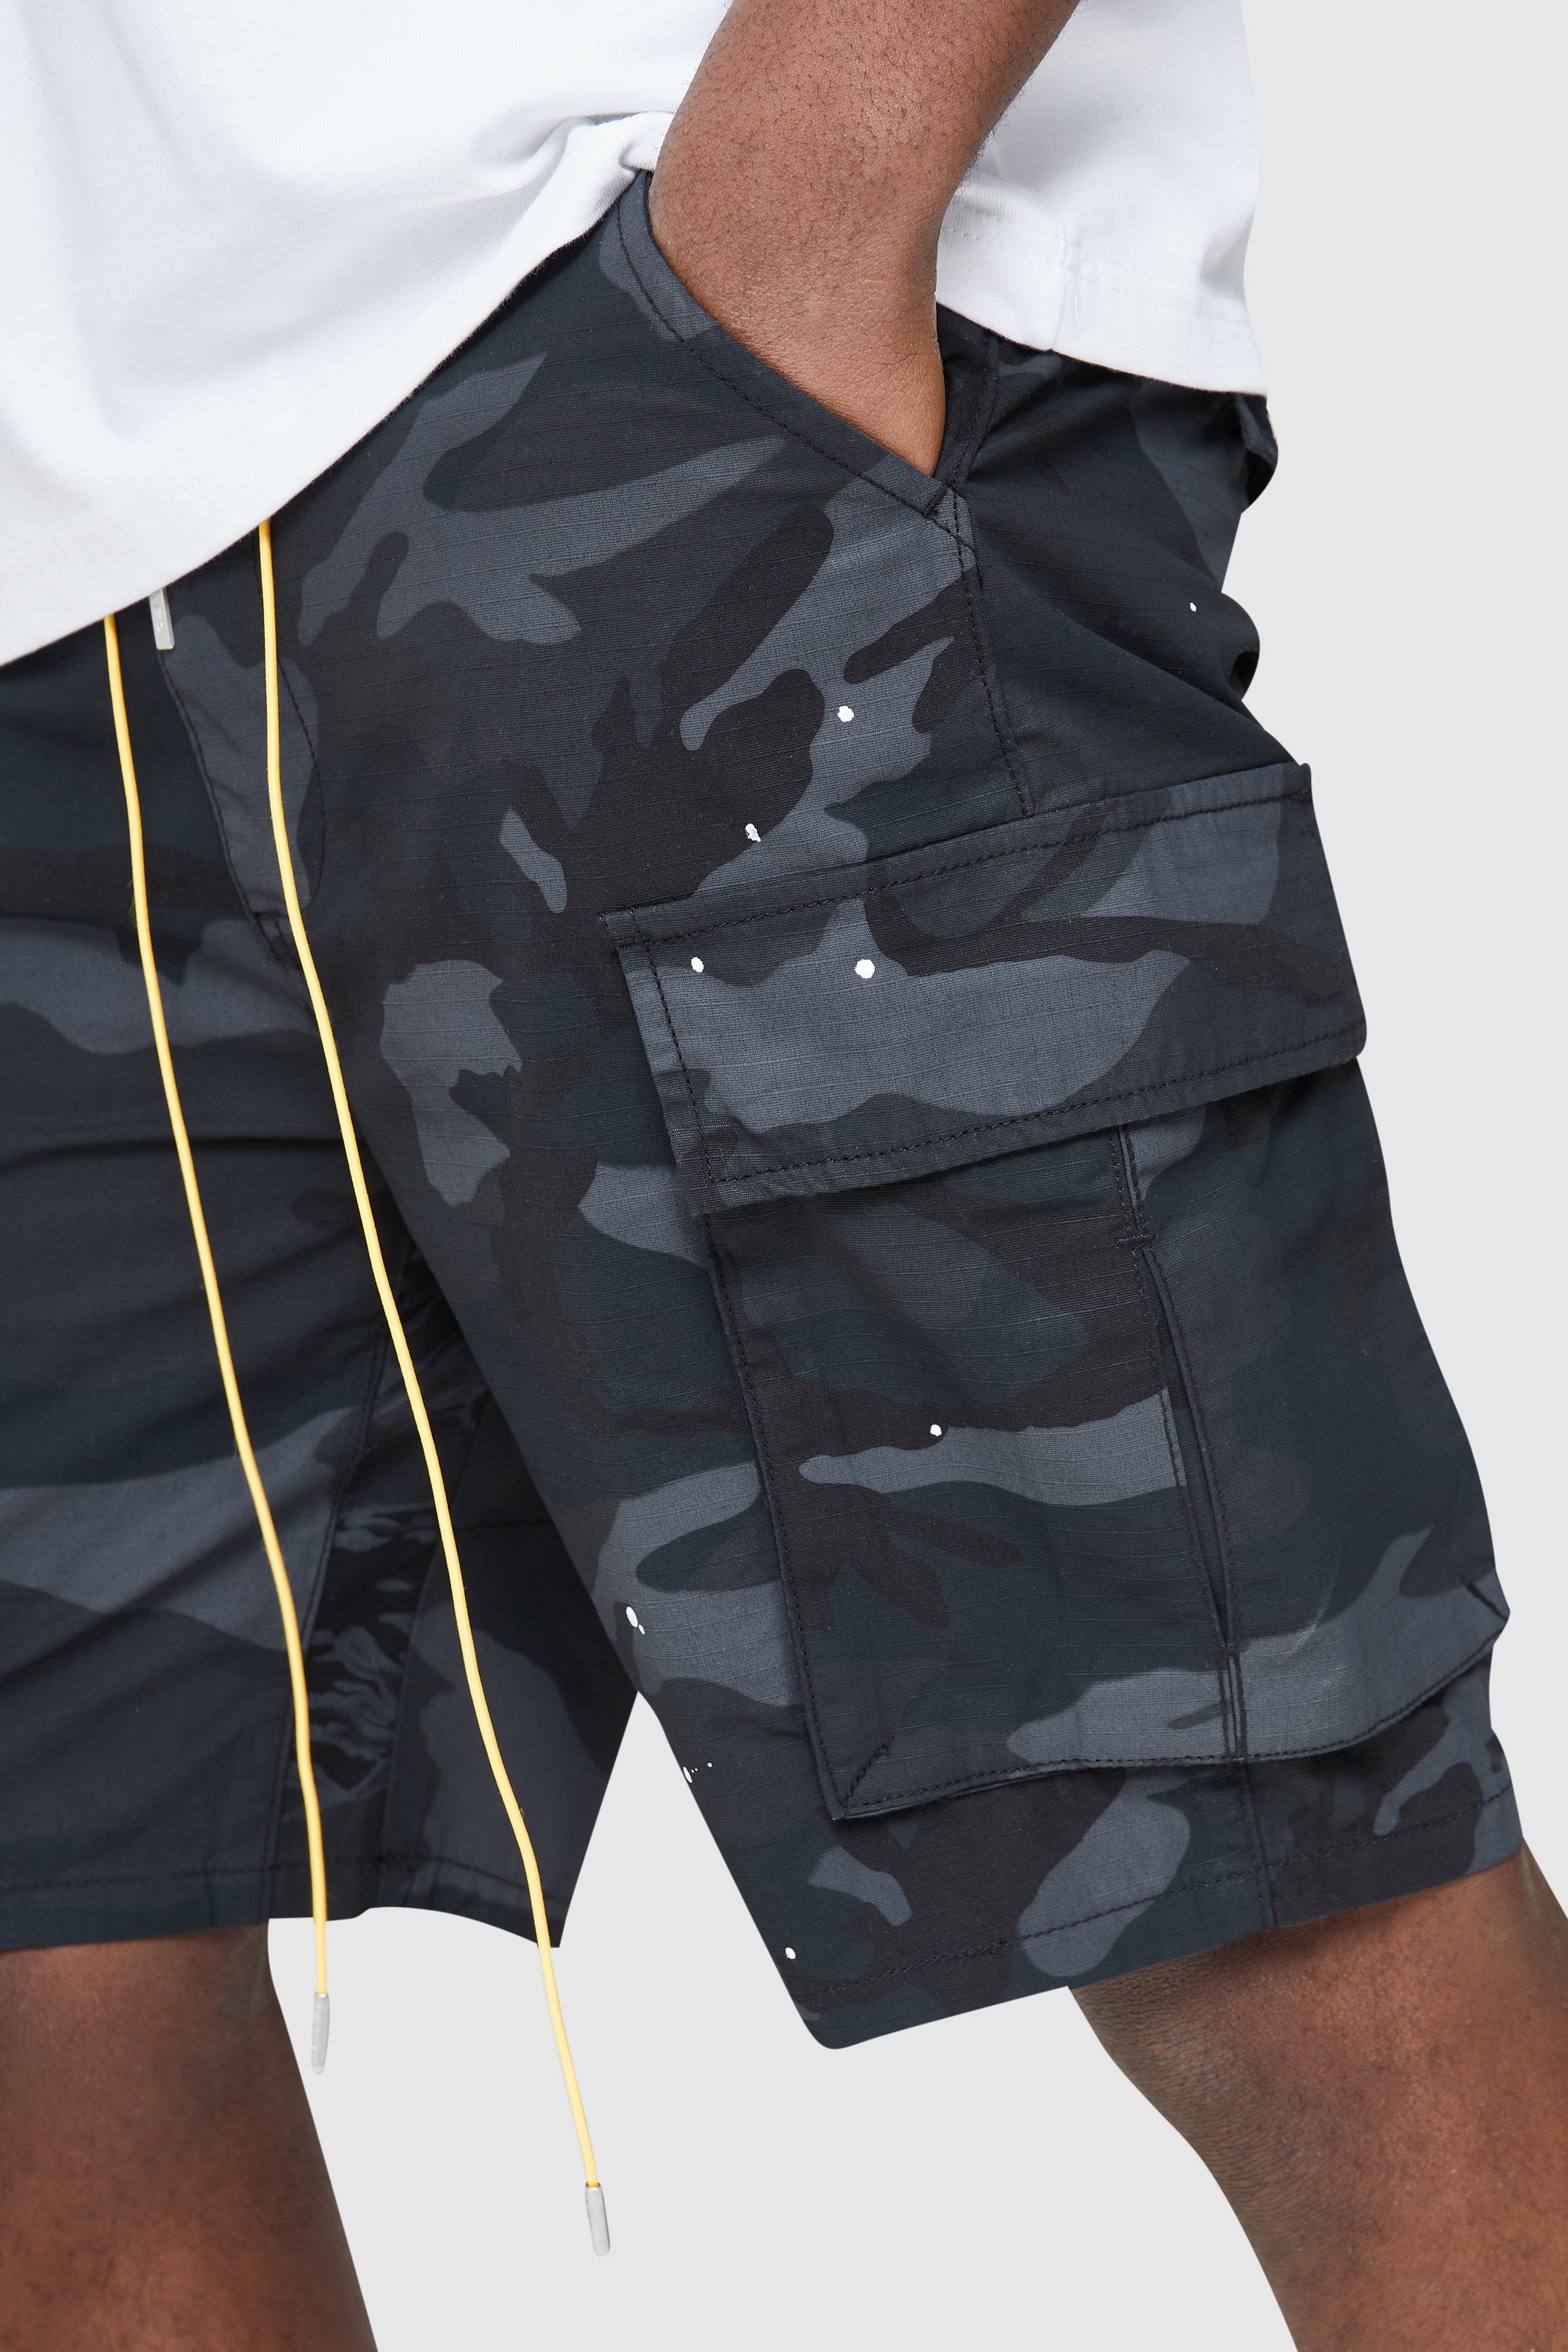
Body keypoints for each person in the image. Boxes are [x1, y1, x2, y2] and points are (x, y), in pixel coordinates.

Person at [1, 2, 1563, 2344]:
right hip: (70, 541)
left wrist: (795, 225)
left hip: (659, 364)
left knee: (1269, 1883)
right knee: (67, 1947)